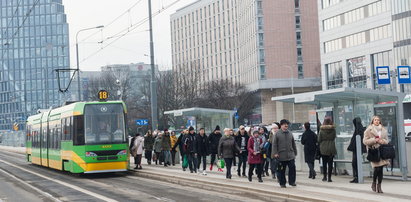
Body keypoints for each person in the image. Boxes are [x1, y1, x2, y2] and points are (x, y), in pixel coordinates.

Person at [363, 116, 389, 193]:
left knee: (380, 169)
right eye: (375, 120)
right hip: (373, 151)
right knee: (377, 168)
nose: (377, 121)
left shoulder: (383, 130)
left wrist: (382, 141)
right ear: (372, 121)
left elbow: (387, 140)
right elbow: (365, 141)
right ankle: (374, 182)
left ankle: (379, 186)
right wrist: (374, 140)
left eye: (378, 120)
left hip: (382, 151)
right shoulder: (368, 130)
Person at [272, 119, 297, 188]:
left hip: (290, 155)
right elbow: (274, 145)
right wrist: (275, 153)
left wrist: (295, 152)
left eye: (287, 124)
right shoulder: (277, 134)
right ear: (281, 125)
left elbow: (293, 143)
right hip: (281, 155)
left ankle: (292, 182)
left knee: (292, 168)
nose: (286, 126)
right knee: (281, 170)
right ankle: (282, 183)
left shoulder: (290, 133)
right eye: (285, 124)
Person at [347, 117, 367, 183]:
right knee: (355, 163)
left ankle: (357, 177)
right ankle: (357, 176)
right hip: (356, 149)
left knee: (355, 163)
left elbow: (357, 140)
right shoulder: (359, 129)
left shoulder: (359, 130)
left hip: (357, 149)